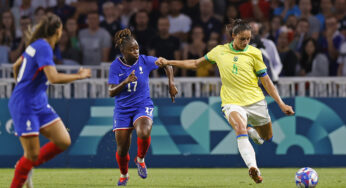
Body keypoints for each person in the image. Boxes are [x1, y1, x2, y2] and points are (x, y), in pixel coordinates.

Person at [156, 19, 295, 184]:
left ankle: (252, 132)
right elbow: (195, 64)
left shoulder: (254, 53)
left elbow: (266, 81)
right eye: (242, 38)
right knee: (239, 128)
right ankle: (253, 168)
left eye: (248, 39)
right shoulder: (219, 51)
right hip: (232, 103)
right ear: (233, 36)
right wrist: (168, 62)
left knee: (266, 137)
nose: (245, 42)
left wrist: (281, 103)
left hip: (256, 102)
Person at [8, 13, 91, 188]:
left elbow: (16, 65)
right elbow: (53, 78)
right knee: (32, 155)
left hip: (38, 102)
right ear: (58, 31)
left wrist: (21, 85)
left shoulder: (35, 45)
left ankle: (25, 164)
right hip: (25, 105)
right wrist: (79, 75)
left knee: (63, 140)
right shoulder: (44, 46)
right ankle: (24, 167)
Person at [108, 28, 178, 186]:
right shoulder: (115, 66)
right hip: (122, 110)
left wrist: (171, 83)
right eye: (132, 49)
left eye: (137, 48)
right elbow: (111, 92)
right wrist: (125, 82)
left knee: (144, 132)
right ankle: (124, 175)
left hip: (142, 105)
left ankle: (140, 159)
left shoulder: (145, 61)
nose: (136, 51)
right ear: (123, 51)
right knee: (122, 149)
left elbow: (167, 64)